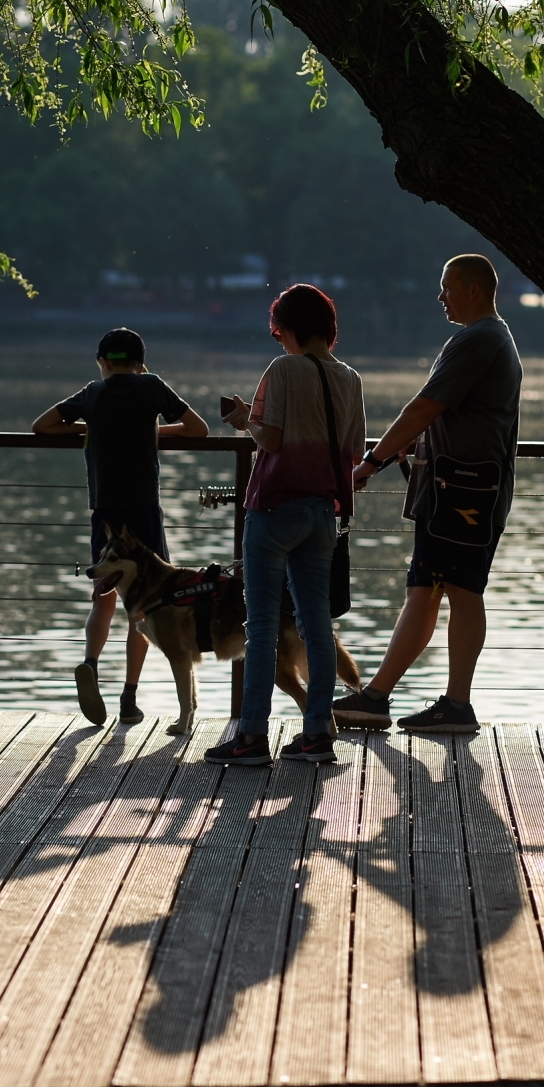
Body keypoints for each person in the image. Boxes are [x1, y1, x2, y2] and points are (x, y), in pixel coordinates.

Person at [340, 253, 521, 734]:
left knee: (461, 590)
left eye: (447, 287)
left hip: (465, 492)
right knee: (424, 588)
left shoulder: (478, 339)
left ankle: (456, 704)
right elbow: (453, 418)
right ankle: (378, 696)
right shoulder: (486, 339)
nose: (440, 297)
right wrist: (413, 449)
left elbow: (424, 407)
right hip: (453, 488)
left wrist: (372, 461)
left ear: (474, 290)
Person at [204, 284, 366, 766]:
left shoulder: (283, 369)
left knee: (261, 626)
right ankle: (317, 733)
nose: (280, 342)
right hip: (322, 513)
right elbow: (353, 451)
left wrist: (242, 420)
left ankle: (250, 736)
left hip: (273, 509)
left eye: (279, 333)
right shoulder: (350, 378)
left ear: (290, 328)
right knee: (316, 625)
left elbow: (270, 440)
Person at [32, 328, 208, 726]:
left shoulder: (93, 394)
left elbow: (40, 426)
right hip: (144, 510)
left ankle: (91, 664)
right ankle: (129, 697)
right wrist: (151, 430)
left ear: (103, 362)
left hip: (107, 513)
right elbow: (198, 429)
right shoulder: (152, 387)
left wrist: (89, 428)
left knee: (104, 596)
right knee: (144, 606)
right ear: (140, 363)